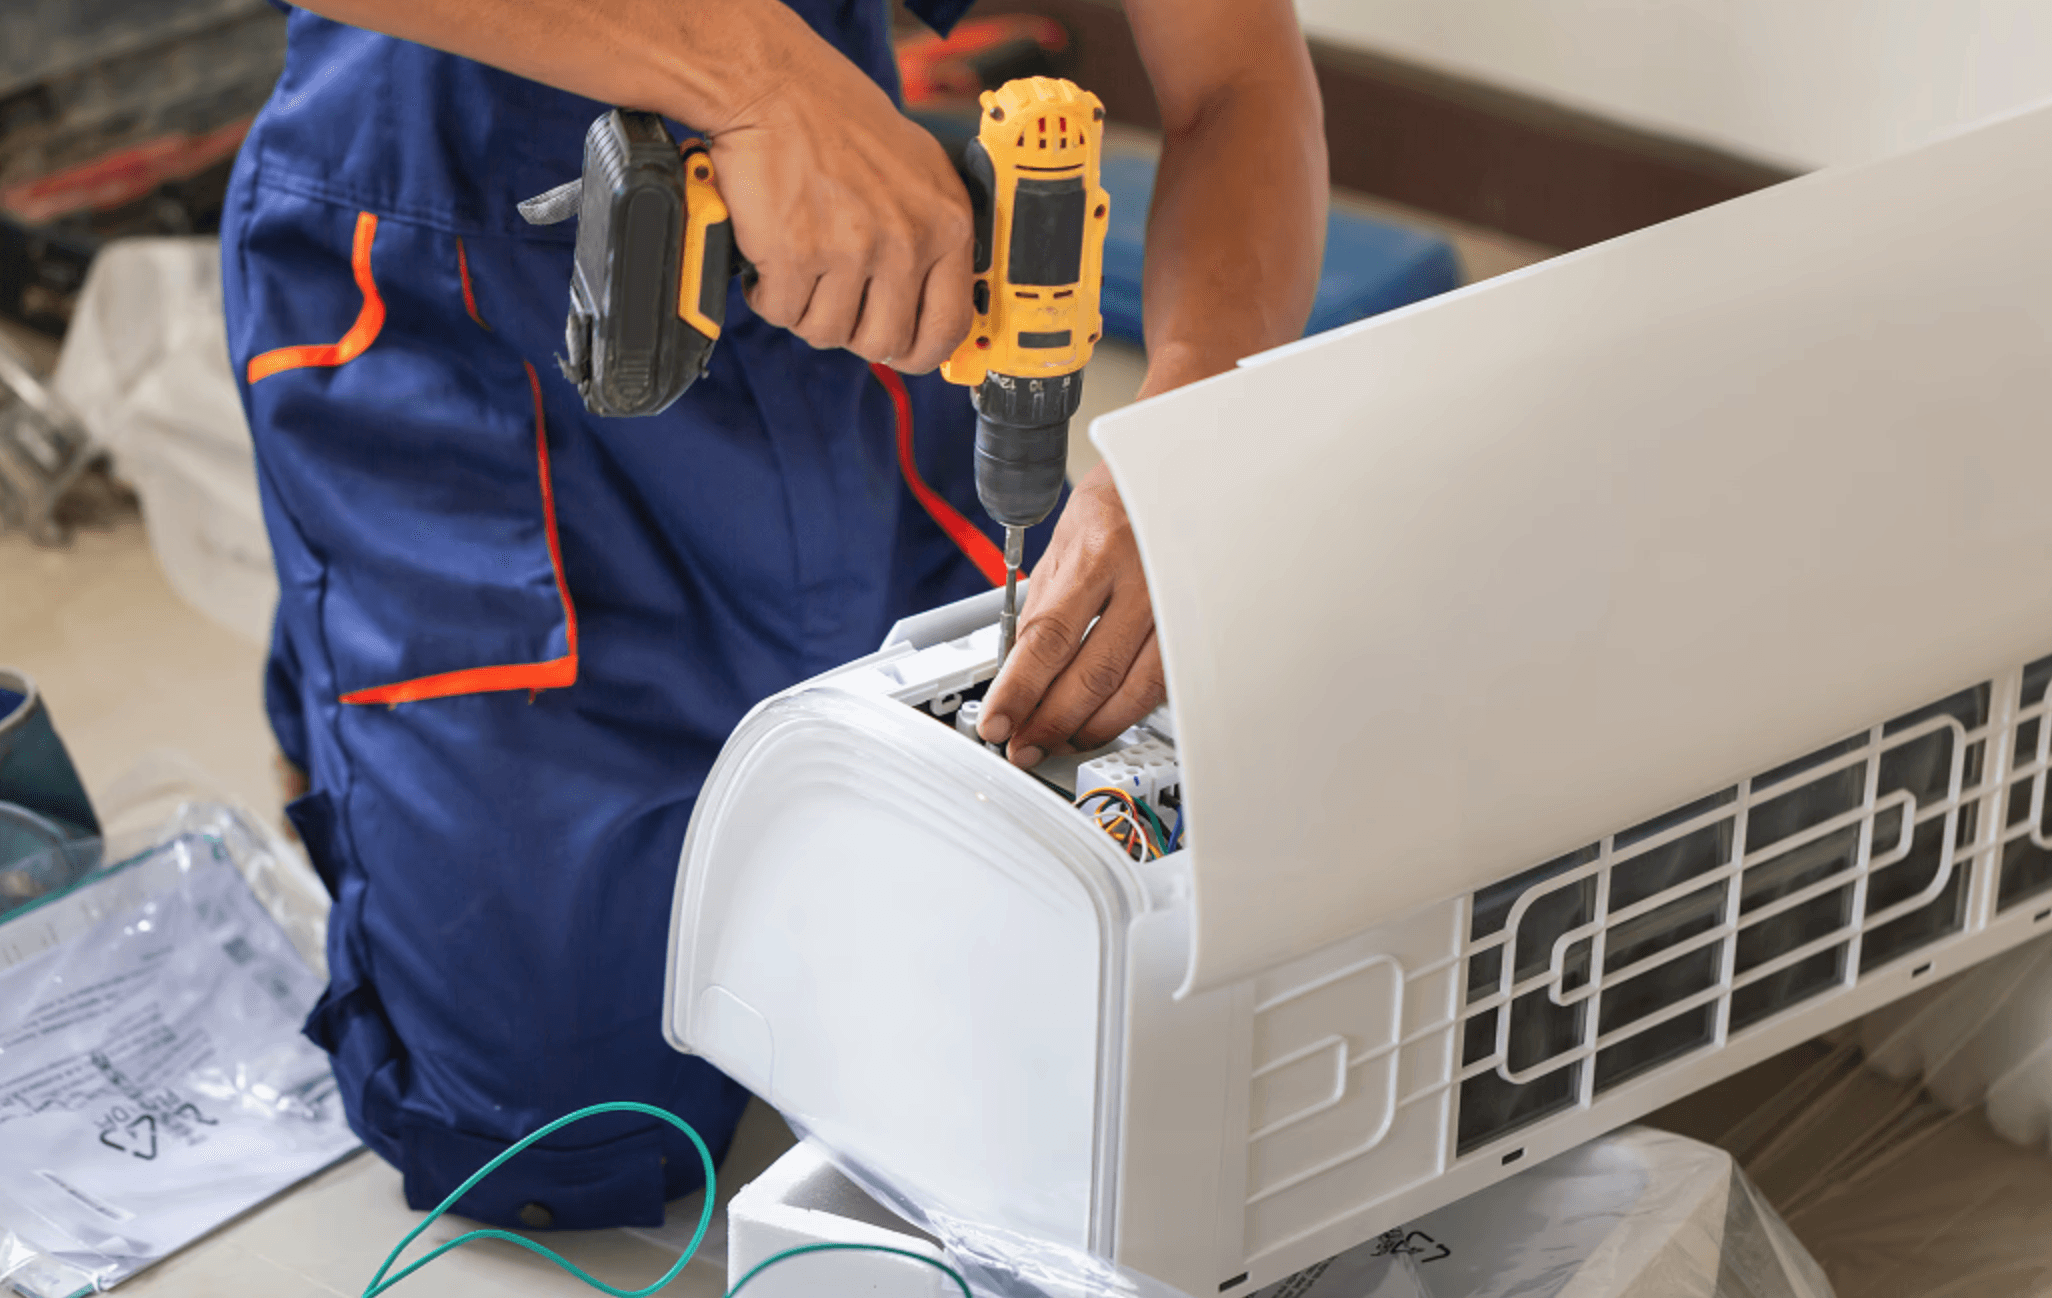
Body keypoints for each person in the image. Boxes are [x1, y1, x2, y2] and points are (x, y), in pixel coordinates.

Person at [223, 0, 1325, 1228]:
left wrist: (1182, 450)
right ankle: (357, 664)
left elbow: (1235, 78)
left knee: (1086, 972)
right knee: (560, 1135)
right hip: (459, 299)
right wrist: (750, 73)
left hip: (821, 295)